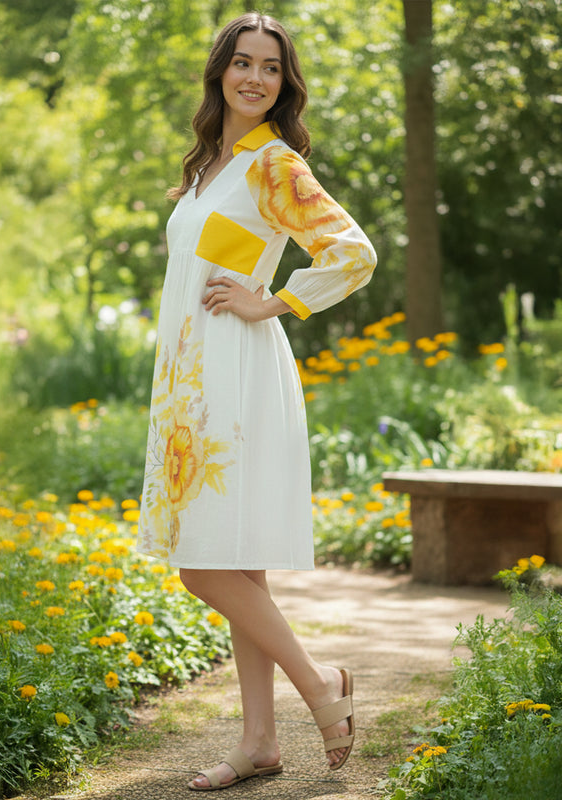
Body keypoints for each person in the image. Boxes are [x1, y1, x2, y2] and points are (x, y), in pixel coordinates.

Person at [136, 11, 377, 791]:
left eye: (270, 67)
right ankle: (259, 742)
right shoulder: (211, 164)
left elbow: (352, 251)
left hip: (235, 373)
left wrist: (273, 302)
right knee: (235, 561)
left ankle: (317, 687)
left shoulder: (274, 164)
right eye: (242, 63)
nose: (254, 78)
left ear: (284, 82)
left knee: (201, 564)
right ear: (220, 73)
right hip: (191, 376)